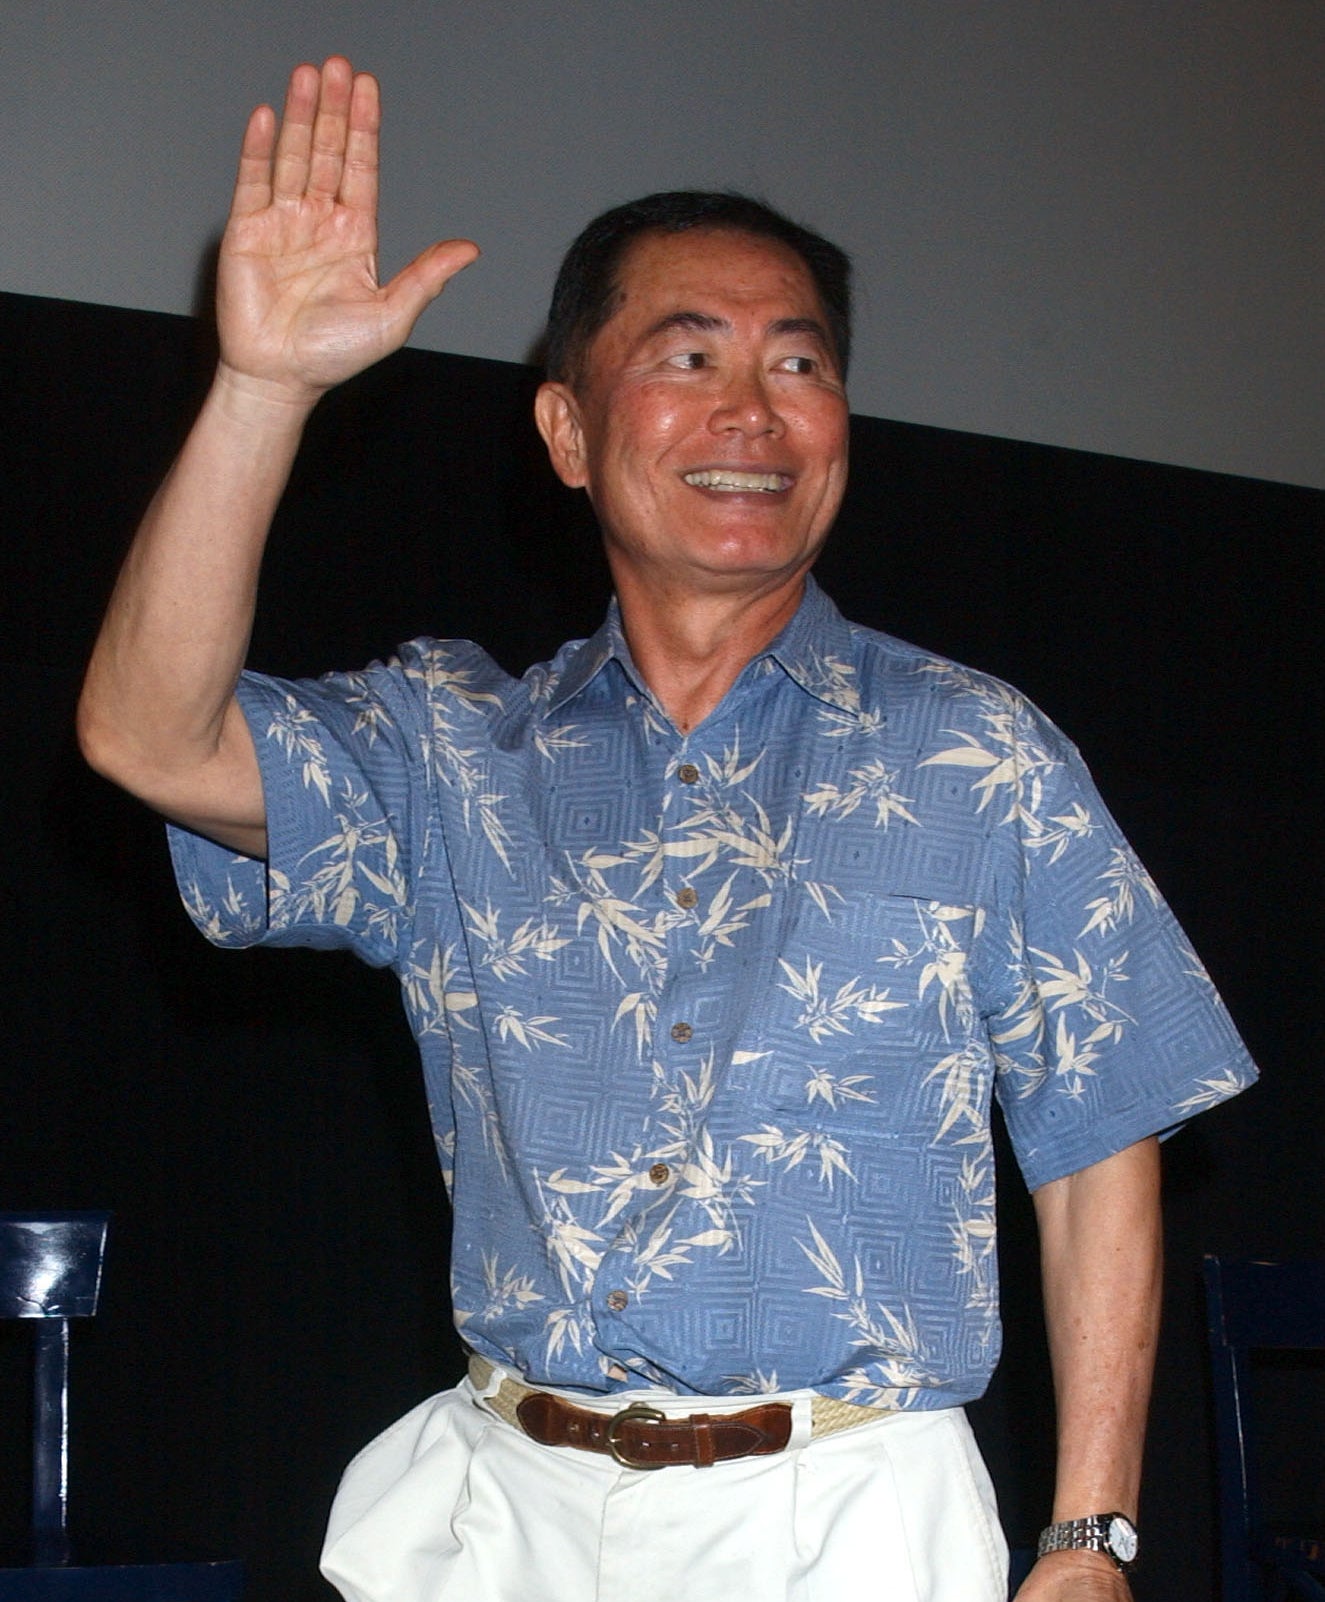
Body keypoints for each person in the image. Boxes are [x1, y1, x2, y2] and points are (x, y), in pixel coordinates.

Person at [77, 56, 1255, 1602]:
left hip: (848, 1521)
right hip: (505, 1518)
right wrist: (262, 389)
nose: (752, 414)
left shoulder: (976, 754)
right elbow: (146, 736)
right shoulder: (450, 752)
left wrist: (1088, 1532)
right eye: (685, 356)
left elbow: (1101, 1136)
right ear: (566, 431)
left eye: (799, 363)